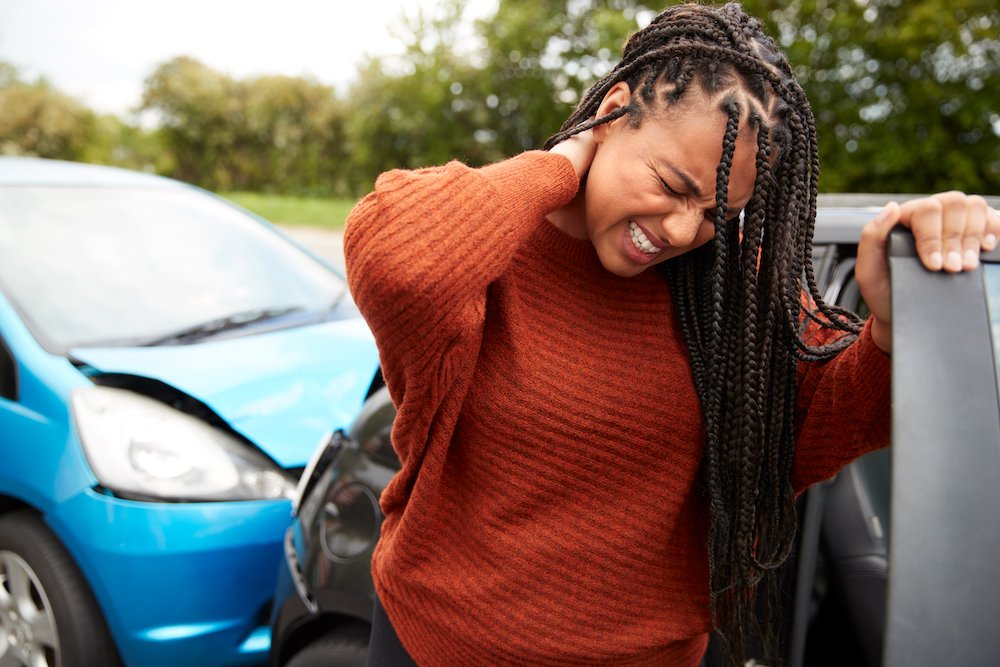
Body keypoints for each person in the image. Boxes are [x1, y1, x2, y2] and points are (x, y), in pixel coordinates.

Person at [343, 3, 1000, 666]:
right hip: (438, 648)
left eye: (718, 210)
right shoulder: (493, 248)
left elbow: (827, 420)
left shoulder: (731, 287)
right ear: (617, 107)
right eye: (670, 184)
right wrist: (564, 161)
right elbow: (402, 263)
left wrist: (890, 323)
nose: (684, 231)